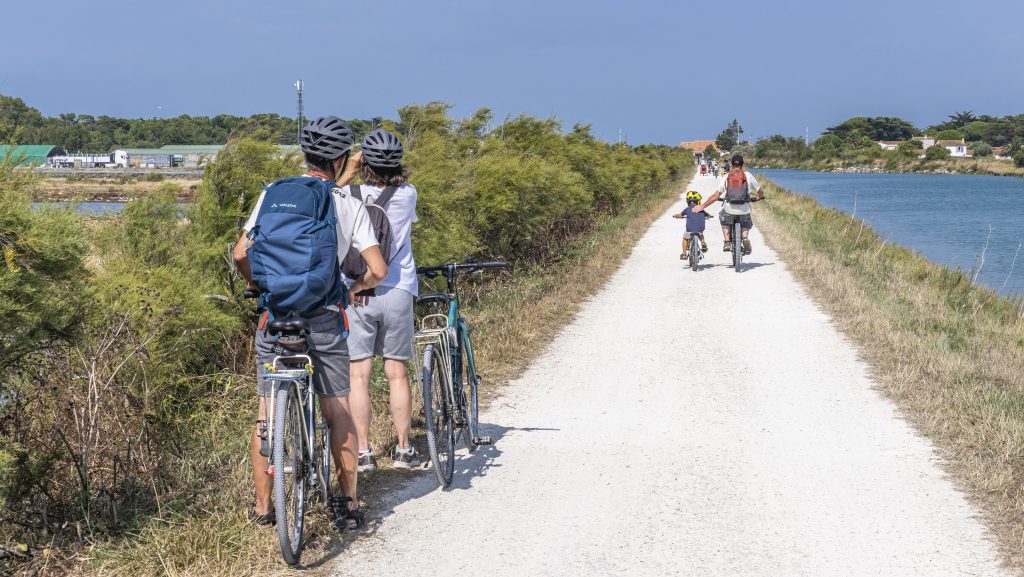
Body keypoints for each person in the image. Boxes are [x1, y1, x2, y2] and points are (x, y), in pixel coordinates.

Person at [231, 116, 387, 530]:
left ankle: (264, 509)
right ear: (340, 159)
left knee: (266, 412)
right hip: (322, 318)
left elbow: (241, 254)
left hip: (275, 316)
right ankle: (348, 503)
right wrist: (353, 290)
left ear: (306, 155)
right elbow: (378, 270)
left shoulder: (273, 195)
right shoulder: (348, 204)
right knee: (337, 406)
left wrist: (258, 288)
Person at [342, 128, 423, 472]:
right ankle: (404, 450)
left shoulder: (346, 194)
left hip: (358, 290)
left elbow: (326, 190)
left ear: (366, 162)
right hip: (398, 289)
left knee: (358, 375)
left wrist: (350, 169)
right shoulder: (408, 194)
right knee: (396, 372)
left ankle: (363, 453)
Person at [691, 153, 764, 254]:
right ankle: (745, 237)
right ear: (742, 164)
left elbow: (715, 196)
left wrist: (702, 206)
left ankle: (727, 241)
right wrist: (758, 197)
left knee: (723, 218)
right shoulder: (748, 176)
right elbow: (760, 192)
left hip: (729, 209)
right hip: (744, 209)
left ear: (731, 164)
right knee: (746, 222)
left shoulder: (726, 176)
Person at [672, 190, 712, 258]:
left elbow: (680, 215)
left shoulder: (687, 209)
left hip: (689, 230)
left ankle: (684, 254)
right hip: (699, 229)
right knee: (700, 234)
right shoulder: (701, 209)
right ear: (698, 201)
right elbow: (707, 215)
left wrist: (676, 216)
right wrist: (709, 216)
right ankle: (703, 243)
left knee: (685, 238)